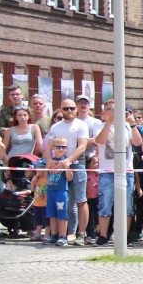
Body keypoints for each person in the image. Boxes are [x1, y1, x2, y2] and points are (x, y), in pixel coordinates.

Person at [93, 99, 143, 245]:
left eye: (117, 109)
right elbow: (100, 140)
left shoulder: (127, 126)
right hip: (107, 171)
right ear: (104, 113)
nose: (114, 112)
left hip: (125, 170)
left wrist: (132, 124)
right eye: (110, 109)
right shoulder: (100, 126)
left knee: (127, 204)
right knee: (105, 203)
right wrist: (109, 123)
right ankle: (103, 235)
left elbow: (138, 142)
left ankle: (124, 236)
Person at [43, 98, 91, 245]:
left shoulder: (81, 125)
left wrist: (68, 161)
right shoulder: (56, 127)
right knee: (65, 202)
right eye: (66, 109)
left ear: (76, 109)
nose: (69, 111)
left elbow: (82, 147)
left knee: (81, 200)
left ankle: (81, 234)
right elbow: (48, 147)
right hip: (58, 167)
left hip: (76, 165)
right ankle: (64, 233)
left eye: (71, 108)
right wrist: (49, 161)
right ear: (61, 110)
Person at [42, 138, 74, 246]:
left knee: (62, 213)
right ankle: (53, 235)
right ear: (53, 148)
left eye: (63, 147)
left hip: (61, 190)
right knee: (52, 214)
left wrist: (66, 167)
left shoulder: (66, 160)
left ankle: (62, 235)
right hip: (51, 190)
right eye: (58, 147)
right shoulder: (50, 161)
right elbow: (46, 177)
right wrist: (48, 167)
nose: (61, 149)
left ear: (67, 148)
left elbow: (70, 178)